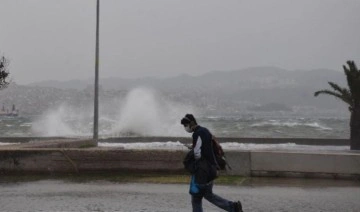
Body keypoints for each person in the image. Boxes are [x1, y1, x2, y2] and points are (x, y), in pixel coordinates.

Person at [181, 114, 243, 212]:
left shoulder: (197, 133)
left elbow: (197, 153)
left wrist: (193, 157)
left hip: (202, 171)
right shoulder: (205, 131)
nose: (185, 128)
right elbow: (207, 147)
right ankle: (233, 207)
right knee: (208, 195)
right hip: (211, 168)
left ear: (191, 123)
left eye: (185, 125)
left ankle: (233, 207)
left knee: (196, 198)